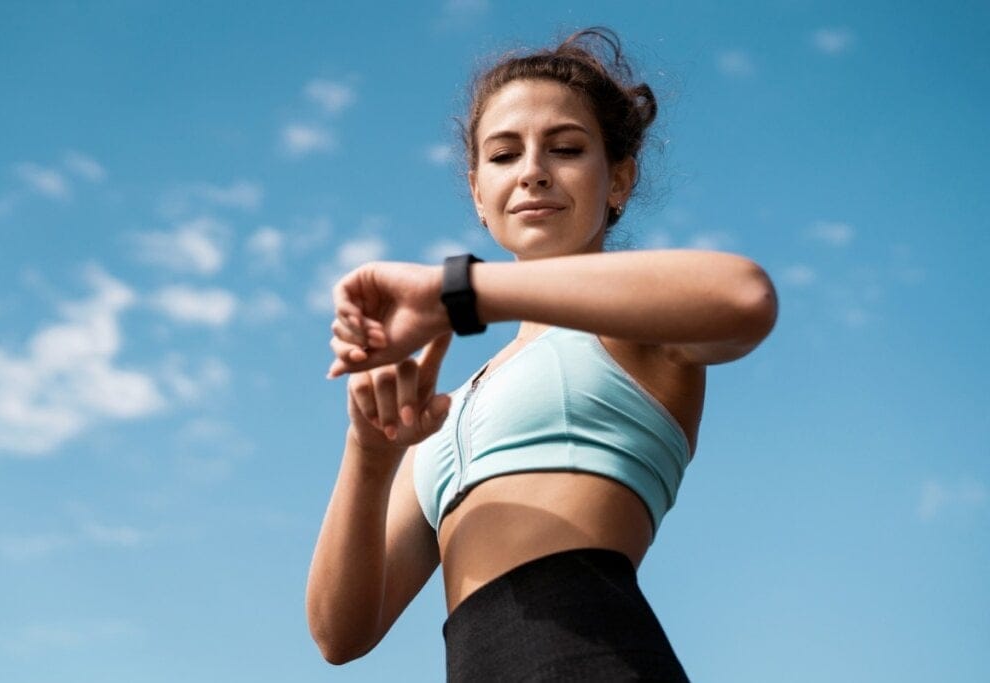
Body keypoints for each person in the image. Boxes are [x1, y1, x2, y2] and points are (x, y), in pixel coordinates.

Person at [306, 27, 777, 681]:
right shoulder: (449, 405)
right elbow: (340, 631)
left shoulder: (635, 328)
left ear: (619, 179)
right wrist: (369, 452)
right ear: (477, 192)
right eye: (503, 155)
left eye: (565, 147)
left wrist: (457, 292)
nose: (532, 170)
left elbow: (746, 297)